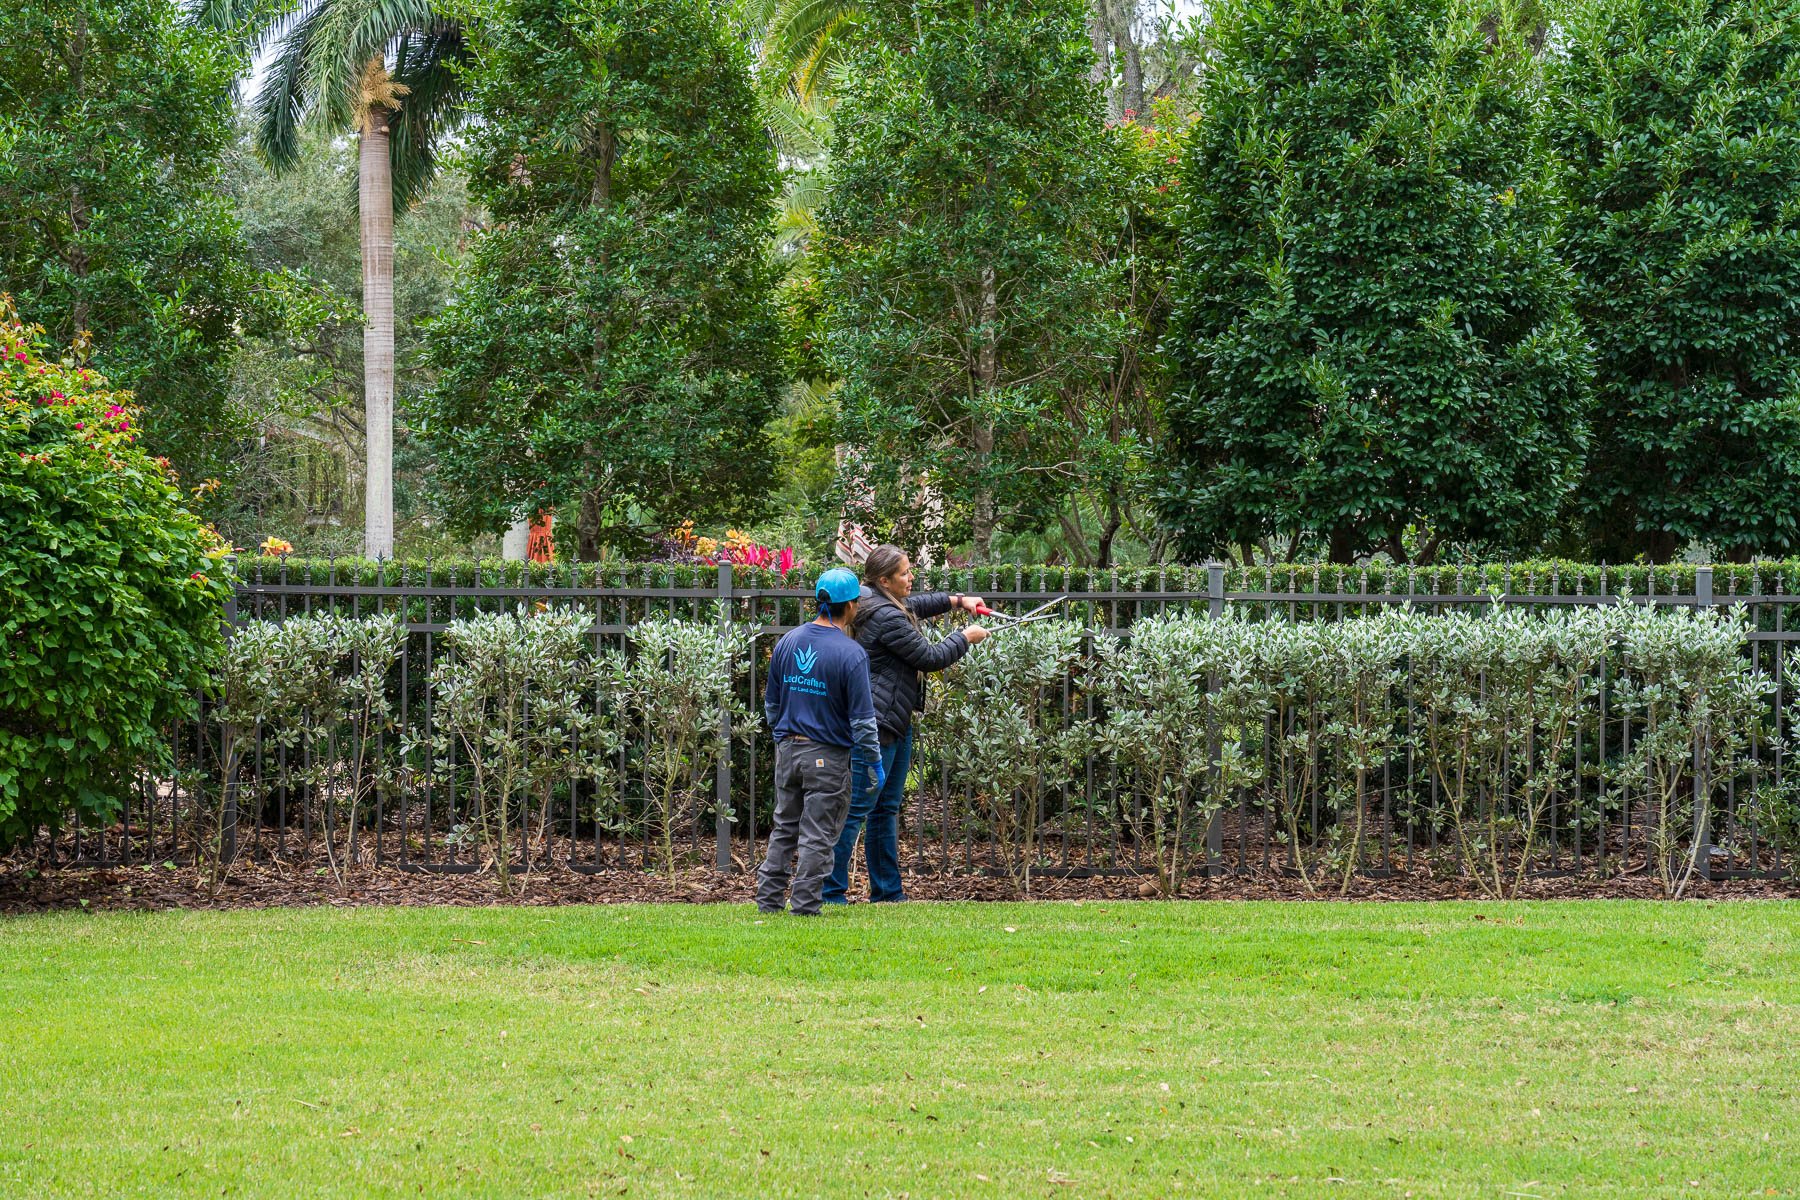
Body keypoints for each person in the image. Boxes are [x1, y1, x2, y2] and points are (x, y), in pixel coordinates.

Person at [822, 545, 989, 905]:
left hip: (895, 720)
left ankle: (888, 893)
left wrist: (960, 600)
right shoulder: (886, 617)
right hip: (878, 724)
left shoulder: (872, 599)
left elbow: (919, 604)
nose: (911, 578)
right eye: (904, 573)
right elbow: (929, 657)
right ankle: (831, 892)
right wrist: (965, 637)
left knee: (886, 808)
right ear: (885, 580)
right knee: (858, 810)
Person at [756, 567, 884, 916]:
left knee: (784, 827)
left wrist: (782, 739)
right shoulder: (851, 654)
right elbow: (862, 721)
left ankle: (768, 902)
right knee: (817, 834)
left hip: (789, 751)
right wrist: (874, 764)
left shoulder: (788, 641)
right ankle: (805, 906)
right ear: (852, 606)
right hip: (826, 756)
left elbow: (771, 703)